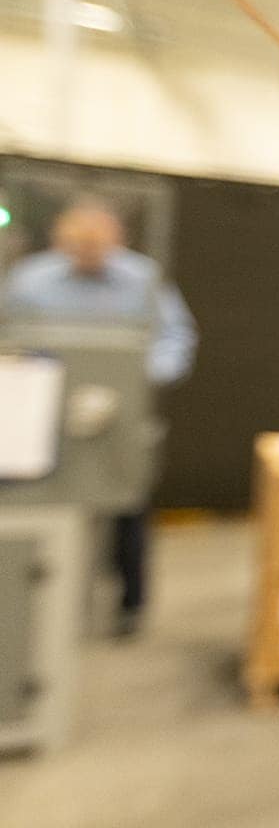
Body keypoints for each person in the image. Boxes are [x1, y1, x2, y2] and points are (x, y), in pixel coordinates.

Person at [2, 197, 198, 636]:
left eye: (97, 243)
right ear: (60, 238)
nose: (88, 251)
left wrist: (137, 379)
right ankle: (32, 602)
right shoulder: (29, 282)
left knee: (128, 507)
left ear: (116, 240)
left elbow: (176, 338)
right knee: (37, 504)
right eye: (78, 242)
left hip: (120, 421)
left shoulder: (143, 280)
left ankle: (131, 605)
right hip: (42, 419)